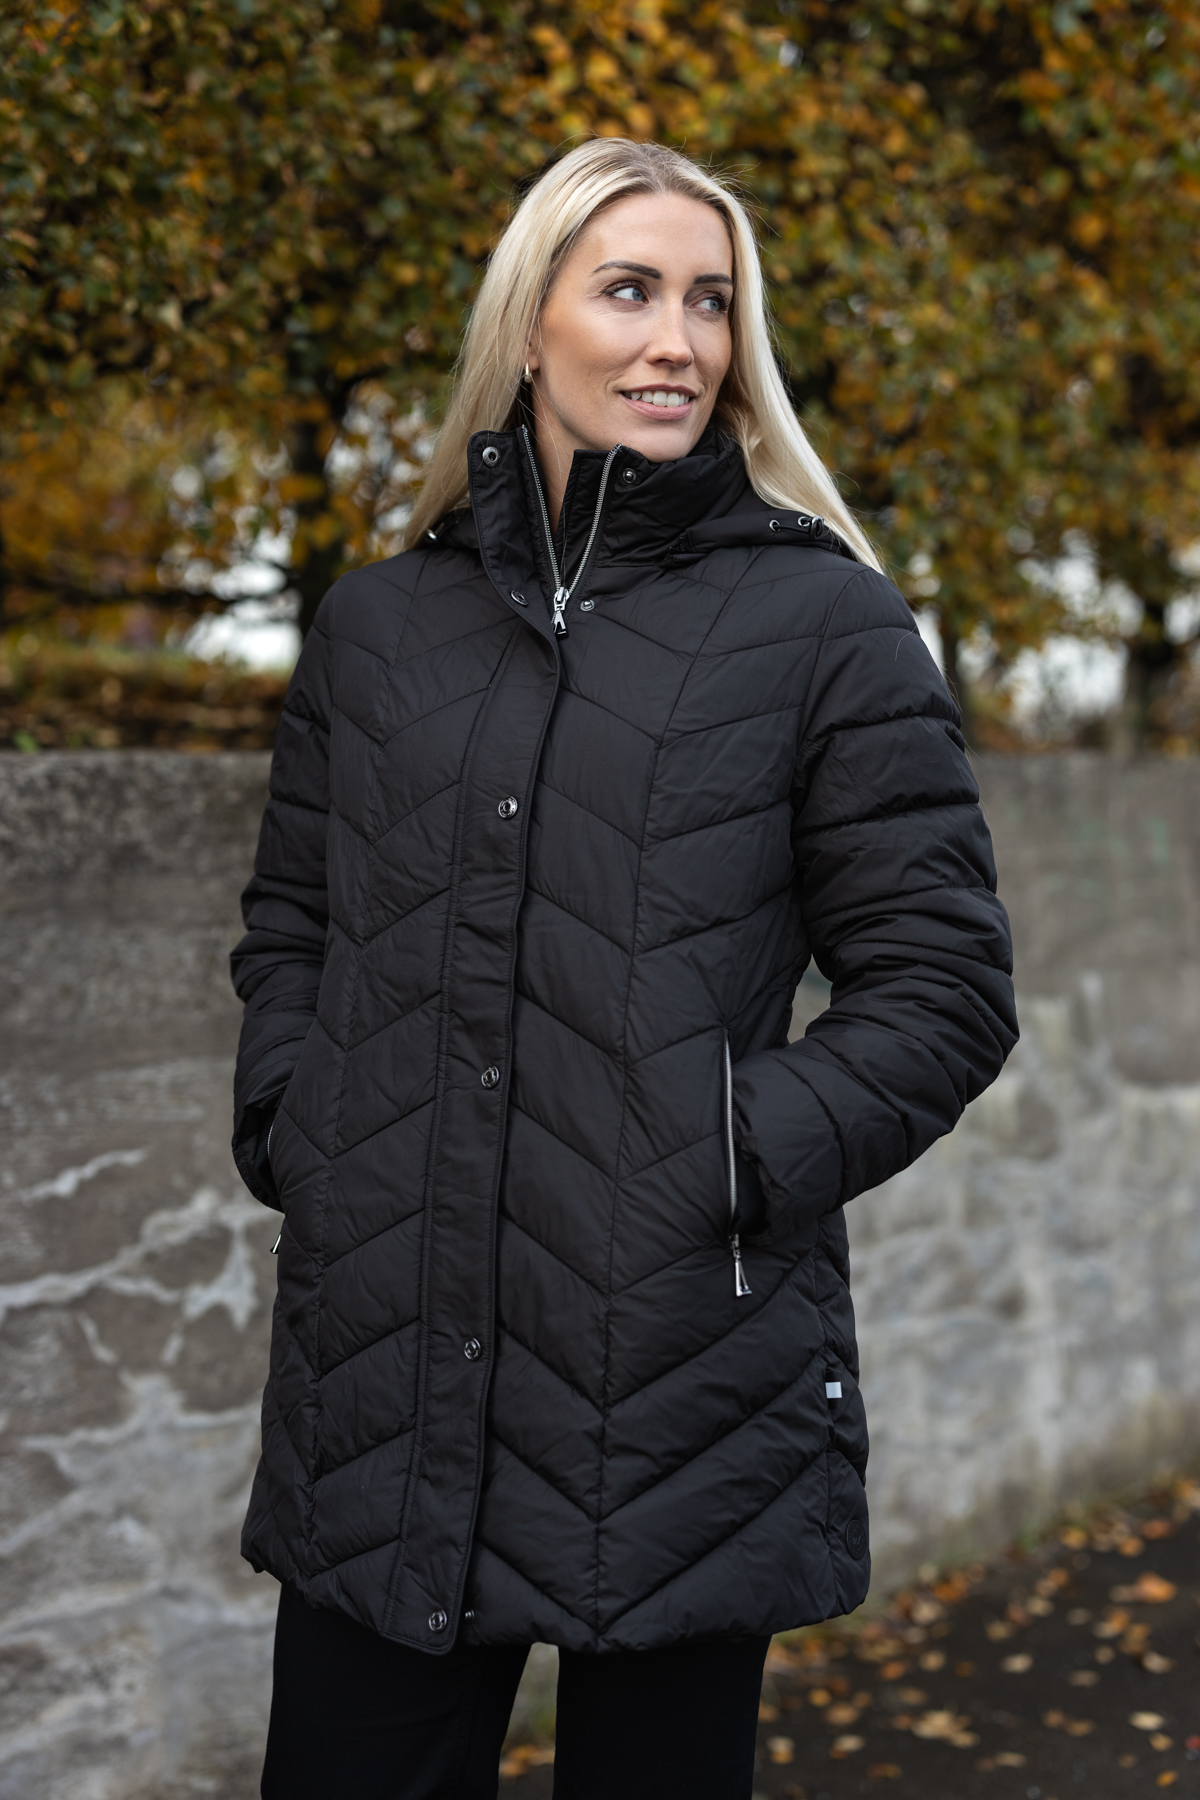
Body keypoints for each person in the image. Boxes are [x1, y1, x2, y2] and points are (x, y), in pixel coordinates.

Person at [230, 137, 1018, 1800]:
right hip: (388, 1364)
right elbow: (295, 926)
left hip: (678, 1378)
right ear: (531, 323)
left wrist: (719, 1158)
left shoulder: (827, 627)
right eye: (631, 291)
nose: (678, 341)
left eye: (711, 303)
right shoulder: (379, 629)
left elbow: (941, 985)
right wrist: (305, 1126)